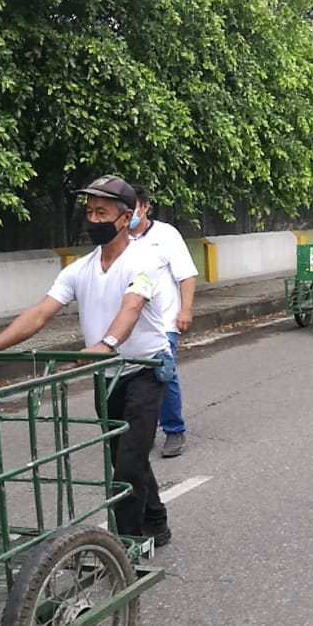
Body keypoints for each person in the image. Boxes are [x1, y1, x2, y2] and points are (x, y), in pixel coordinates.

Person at [0, 175, 175, 547]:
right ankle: (156, 522)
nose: (93, 220)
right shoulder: (80, 269)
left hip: (144, 371)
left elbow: (132, 307)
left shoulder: (147, 260)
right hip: (105, 376)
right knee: (126, 455)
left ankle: (127, 545)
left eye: (102, 213)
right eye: (90, 212)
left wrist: (106, 343)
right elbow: (41, 312)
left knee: (127, 463)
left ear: (126, 217)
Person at [127, 192, 197, 459]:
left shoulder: (166, 235)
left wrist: (185, 310)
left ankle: (173, 430)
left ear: (145, 207)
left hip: (163, 320)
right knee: (132, 376)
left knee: (163, 374)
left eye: (132, 206)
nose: (128, 213)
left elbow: (186, 275)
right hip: (128, 322)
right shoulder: (117, 237)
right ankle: (141, 430)